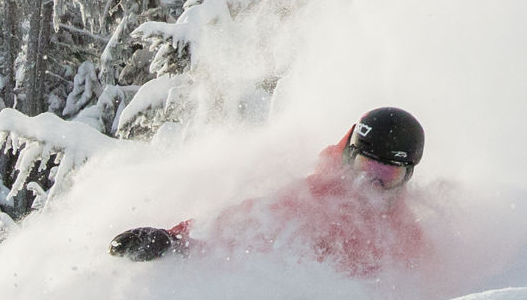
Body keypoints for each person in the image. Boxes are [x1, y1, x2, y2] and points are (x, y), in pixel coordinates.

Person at [110, 107, 428, 277]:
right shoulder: (315, 199)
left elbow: (431, 282)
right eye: (365, 167)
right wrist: (174, 240)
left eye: (388, 174)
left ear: (407, 176)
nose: (370, 184)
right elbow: (239, 224)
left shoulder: (403, 231)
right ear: (348, 158)